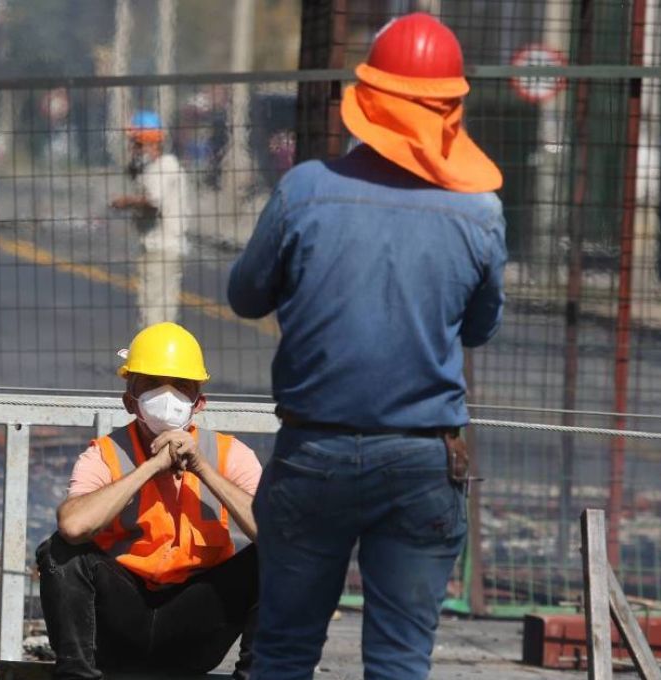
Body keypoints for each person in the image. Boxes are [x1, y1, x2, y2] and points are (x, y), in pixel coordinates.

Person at [227, 13, 506, 680]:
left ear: (368, 101)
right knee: (400, 660)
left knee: (285, 649)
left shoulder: (304, 192)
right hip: (421, 459)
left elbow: (245, 296)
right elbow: (480, 327)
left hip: (313, 452)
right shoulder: (479, 212)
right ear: (449, 109)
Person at [37, 322, 261, 680]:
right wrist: (152, 467)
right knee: (59, 551)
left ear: (198, 402)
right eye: (153, 385)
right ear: (130, 401)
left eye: (182, 387)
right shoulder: (104, 454)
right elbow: (74, 526)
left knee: (277, 560)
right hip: (122, 620)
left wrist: (201, 468)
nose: (167, 396)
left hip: (194, 624)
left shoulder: (229, 454)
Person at [111, 111, 192, 330]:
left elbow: (153, 200)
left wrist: (125, 202)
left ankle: (151, 359)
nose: (133, 149)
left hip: (163, 246)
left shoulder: (165, 166)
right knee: (159, 306)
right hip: (157, 245)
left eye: (136, 143)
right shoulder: (154, 167)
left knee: (153, 308)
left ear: (148, 142)